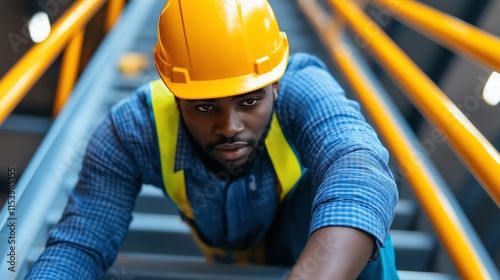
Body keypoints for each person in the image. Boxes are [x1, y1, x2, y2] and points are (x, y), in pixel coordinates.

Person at [26, 0, 399, 279]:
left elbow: (358, 166)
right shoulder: (132, 130)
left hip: (304, 242)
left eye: (250, 101)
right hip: (227, 256)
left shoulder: (302, 87)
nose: (230, 127)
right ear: (174, 95)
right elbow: (82, 241)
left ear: (275, 83)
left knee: (355, 209)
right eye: (204, 107)